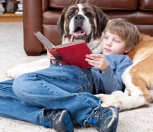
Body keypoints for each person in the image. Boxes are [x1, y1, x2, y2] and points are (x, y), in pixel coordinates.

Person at [0, 18, 140, 132]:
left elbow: (114, 89)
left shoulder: (123, 60)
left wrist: (105, 69)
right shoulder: (95, 53)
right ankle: (50, 116)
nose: (109, 43)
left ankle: (93, 111)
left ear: (127, 48)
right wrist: (54, 61)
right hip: (64, 77)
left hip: (85, 78)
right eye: (107, 38)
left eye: (116, 41)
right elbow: (50, 79)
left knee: (22, 82)